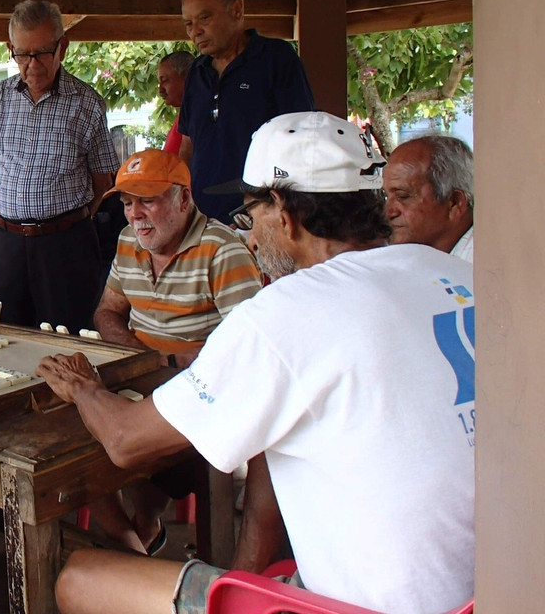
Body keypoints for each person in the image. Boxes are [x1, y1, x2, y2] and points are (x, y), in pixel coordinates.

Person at [40, 111, 474, 614]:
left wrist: (83, 388)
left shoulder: (289, 310)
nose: (248, 237)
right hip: (488, 592)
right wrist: (242, 577)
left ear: (284, 213)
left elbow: (123, 441)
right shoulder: (453, 272)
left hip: (365, 607)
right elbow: (271, 455)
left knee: (79, 579)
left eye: (250, 216)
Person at [88, 147, 262, 554]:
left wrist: (173, 369)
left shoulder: (222, 250)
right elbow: (107, 313)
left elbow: (250, 350)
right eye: (127, 203)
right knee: (72, 445)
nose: (134, 215)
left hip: (198, 396)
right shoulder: (128, 241)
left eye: (147, 200)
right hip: (142, 380)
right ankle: (134, 540)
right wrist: (149, 361)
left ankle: (137, 540)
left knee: (119, 448)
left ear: (184, 199)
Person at [0, 0, 120, 332]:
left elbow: (103, 182)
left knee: (68, 337)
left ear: (63, 48)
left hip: (65, 246)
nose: (32, 65)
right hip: (6, 243)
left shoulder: (87, 102)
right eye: (22, 55)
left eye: (42, 53)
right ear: (10, 49)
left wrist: (63, 222)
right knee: (0, 336)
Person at [177, 0, 315, 224]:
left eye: (204, 18)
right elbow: (187, 145)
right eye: (188, 23)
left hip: (260, 219)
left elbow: (300, 141)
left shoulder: (276, 59)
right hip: (202, 221)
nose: (195, 31)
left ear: (237, 10)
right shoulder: (197, 72)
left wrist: (270, 213)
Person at [384, 134, 474, 262]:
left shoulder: (483, 264)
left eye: (402, 196)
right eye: (386, 196)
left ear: (455, 202)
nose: (389, 213)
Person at [157, 51, 195, 154]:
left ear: (186, 76)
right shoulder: (186, 113)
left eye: (165, 80)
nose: (160, 89)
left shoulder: (197, 112)